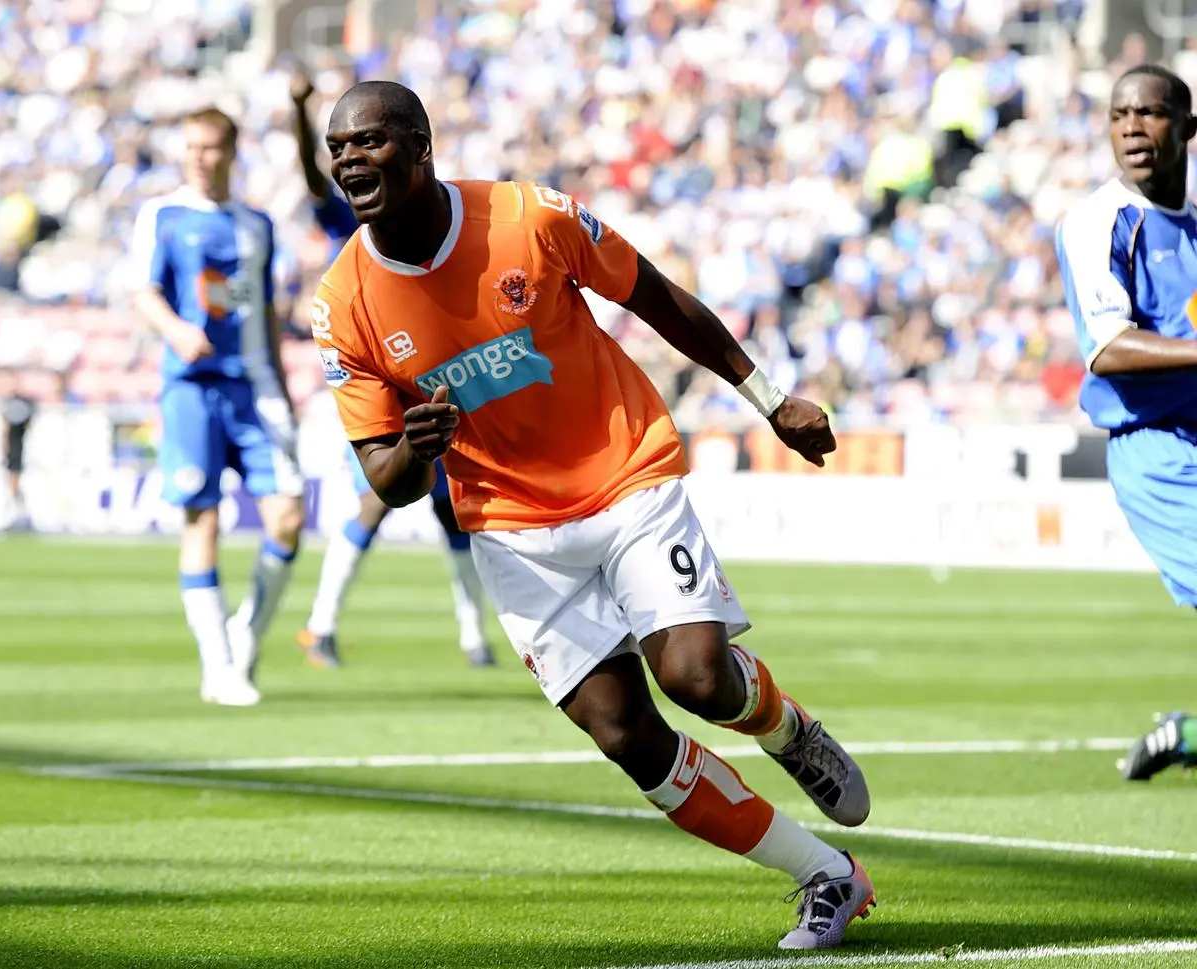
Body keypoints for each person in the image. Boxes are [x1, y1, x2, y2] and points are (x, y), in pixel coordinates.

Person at [311, 80, 875, 950]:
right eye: (337, 147)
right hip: (511, 528)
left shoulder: (529, 217)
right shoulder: (341, 301)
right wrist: (417, 449)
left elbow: (656, 298)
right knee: (624, 732)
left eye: (369, 141)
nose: (350, 160)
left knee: (695, 677)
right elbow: (386, 480)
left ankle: (785, 725)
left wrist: (767, 398)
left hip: (624, 473)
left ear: (422, 147)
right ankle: (825, 874)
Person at [289, 67, 494, 668]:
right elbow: (311, 181)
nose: (352, 164)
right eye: (339, 150)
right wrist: (299, 112)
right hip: (379, 368)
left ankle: (473, 634)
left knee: (454, 512)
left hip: (439, 364)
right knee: (377, 502)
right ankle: (320, 624)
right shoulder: (351, 225)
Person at [131, 107, 304, 707]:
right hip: (192, 387)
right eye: (189, 148)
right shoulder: (163, 214)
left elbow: (267, 314)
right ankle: (218, 667)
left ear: (232, 151)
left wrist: (283, 389)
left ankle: (243, 639)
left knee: (287, 517)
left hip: (255, 388)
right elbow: (142, 291)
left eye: (209, 148)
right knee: (201, 518)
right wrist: (177, 331)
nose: (198, 159)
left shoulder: (256, 225)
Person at [1054, 65, 1197, 782]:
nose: (1134, 127)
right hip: (1159, 453)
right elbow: (1107, 349)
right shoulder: (1099, 222)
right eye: (1121, 114)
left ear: (1188, 130)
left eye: (1153, 113)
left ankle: (1190, 734)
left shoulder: (1194, 228)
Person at [0, 368, 36, 530]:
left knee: (15, 480)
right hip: (15, 448)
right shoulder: (9, 402)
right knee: (12, 480)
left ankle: (18, 514)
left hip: (19, 448)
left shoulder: (22, 403)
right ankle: (16, 514)